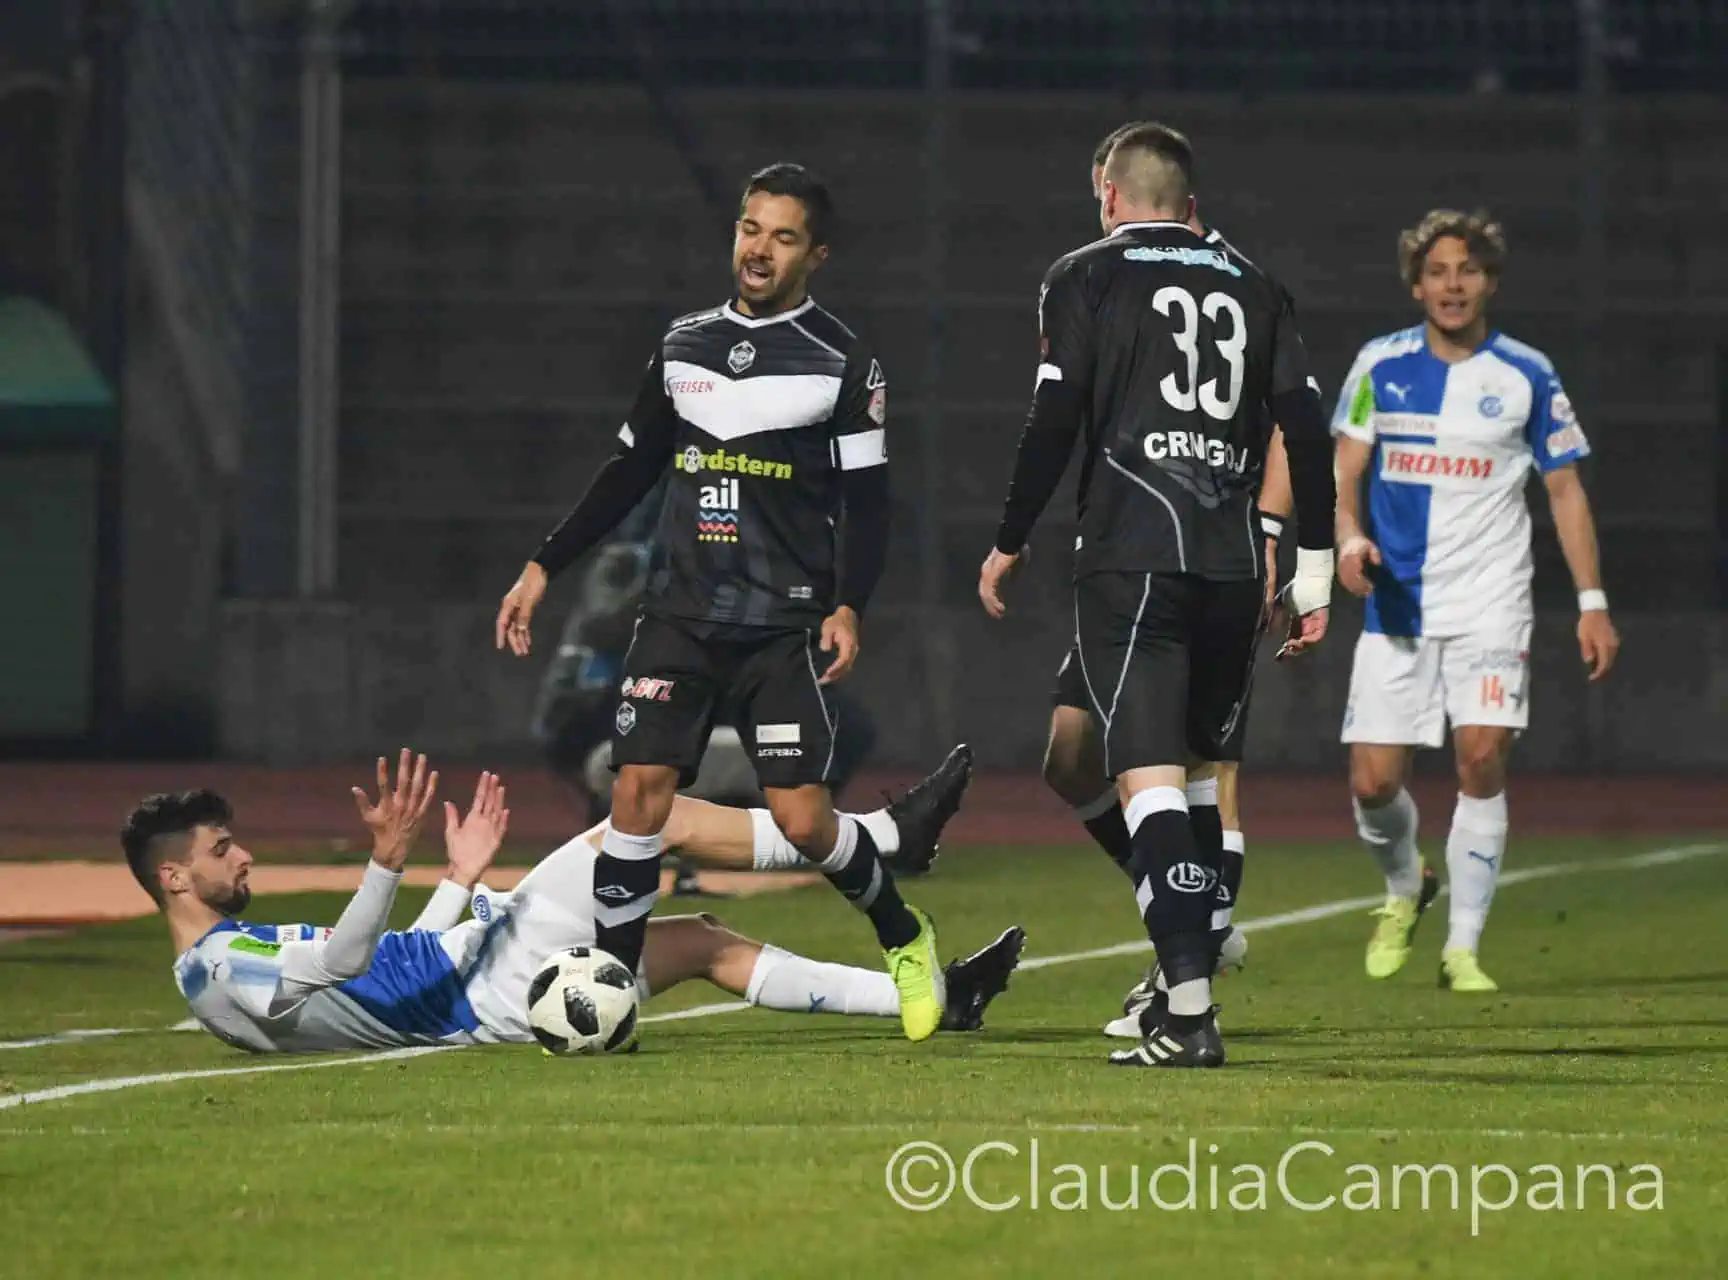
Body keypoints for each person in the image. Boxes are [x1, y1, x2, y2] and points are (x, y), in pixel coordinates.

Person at [494, 163, 951, 1042]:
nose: (759, 250)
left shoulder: (844, 363)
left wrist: (849, 605)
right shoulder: (683, 345)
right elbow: (629, 469)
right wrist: (544, 565)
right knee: (638, 796)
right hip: (678, 614)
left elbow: (870, 503)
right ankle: (617, 996)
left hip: (779, 624)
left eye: (782, 237)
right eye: (750, 229)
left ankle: (902, 931)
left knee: (805, 820)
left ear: (815, 254)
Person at [979, 122, 1337, 1067]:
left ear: (1108, 194)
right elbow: (1305, 428)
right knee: (1075, 751)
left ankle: (1185, 1003)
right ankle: (1195, 921)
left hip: (1134, 560)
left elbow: (1054, 414)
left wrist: (1010, 537)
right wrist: (1314, 566)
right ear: (1189, 201)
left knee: (1154, 781)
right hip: (1228, 569)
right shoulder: (1259, 285)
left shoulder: (1086, 272)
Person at [138, 751, 1024, 1056]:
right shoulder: (221, 968)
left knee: (705, 942)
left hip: (478, 967)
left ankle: (944, 1000)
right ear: (173, 878)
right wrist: (383, 863)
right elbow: (344, 963)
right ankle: (886, 840)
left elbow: (381, 972)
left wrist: (456, 880)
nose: (243, 855)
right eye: (221, 851)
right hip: (490, 992)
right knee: (647, 817)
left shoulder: (233, 954)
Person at [1332, 209, 1619, 993]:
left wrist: (1591, 601)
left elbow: (1564, 489)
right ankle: (1404, 888)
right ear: (1416, 284)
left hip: (1493, 600)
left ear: (1489, 280)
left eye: (1467, 271)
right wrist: (1350, 540)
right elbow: (1346, 470)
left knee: (1483, 756)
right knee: (1373, 785)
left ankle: (1463, 946)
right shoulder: (1378, 365)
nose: (1452, 285)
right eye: (1437, 272)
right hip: (1398, 603)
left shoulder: (1527, 373)